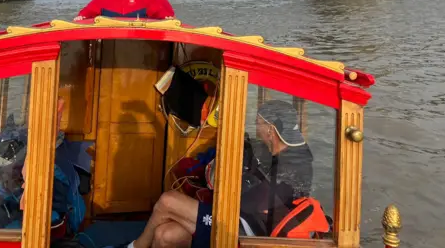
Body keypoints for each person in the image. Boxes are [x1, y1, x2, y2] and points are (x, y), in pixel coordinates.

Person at [119, 100, 315, 248]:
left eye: (259, 123)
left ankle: (134, 247)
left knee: (168, 201)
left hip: (247, 230)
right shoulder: (283, 153)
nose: (257, 129)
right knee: (165, 234)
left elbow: (254, 202)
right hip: (247, 218)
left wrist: (234, 184)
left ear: (271, 130)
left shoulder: (293, 166)